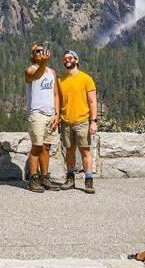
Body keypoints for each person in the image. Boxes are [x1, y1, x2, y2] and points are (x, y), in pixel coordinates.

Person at [57, 50, 97, 194]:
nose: (67, 60)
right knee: (69, 152)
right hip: (66, 122)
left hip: (82, 121)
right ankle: (70, 179)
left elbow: (92, 101)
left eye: (70, 58)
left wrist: (94, 121)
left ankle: (89, 180)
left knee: (85, 151)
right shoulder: (60, 80)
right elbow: (59, 101)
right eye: (65, 58)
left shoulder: (86, 78)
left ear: (76, 60)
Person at [24, 44, 60, 193]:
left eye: (42, 50)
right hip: (37, 113)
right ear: (32, 56)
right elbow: (36, 76)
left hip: (50, 114)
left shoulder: (52, 72)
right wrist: (44, 62)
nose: (40, 53)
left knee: (46, 147)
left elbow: (55, 94)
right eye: (37, 51)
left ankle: (45, 177)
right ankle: (33, 178)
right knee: (37, 146)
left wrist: (57, 114)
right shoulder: (30, 70)